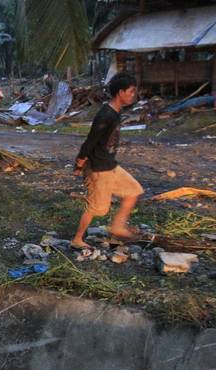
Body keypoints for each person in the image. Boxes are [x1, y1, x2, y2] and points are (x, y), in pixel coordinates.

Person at [71, 73, 143, 250]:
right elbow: (90, 141)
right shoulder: (105, 116)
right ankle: (77, 239)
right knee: (98, 208)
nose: (133, 95)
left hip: (110, 164)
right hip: (98, 168)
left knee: (133, 191)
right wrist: (80, 162)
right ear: (120, 92)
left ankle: (117, 226)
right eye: (131, 91)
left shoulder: (116, 112)